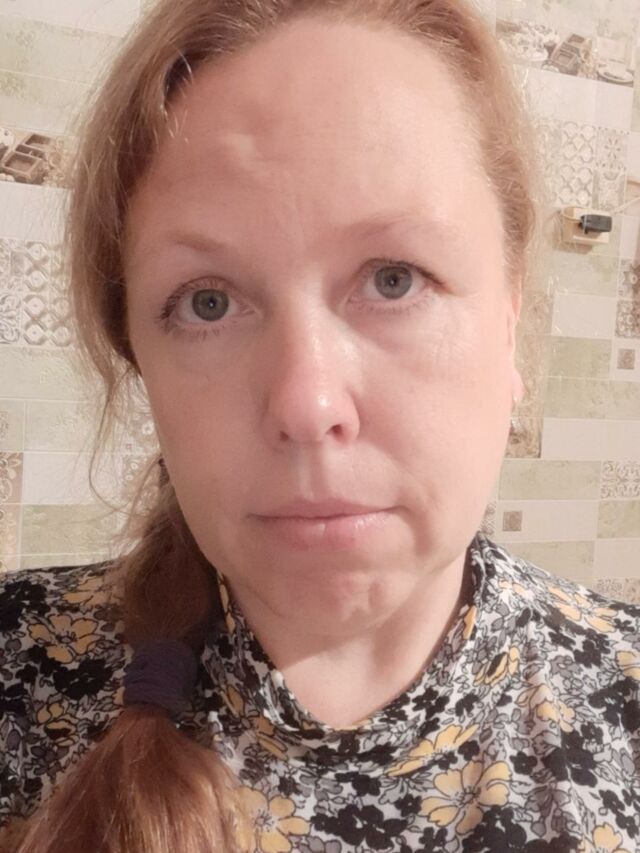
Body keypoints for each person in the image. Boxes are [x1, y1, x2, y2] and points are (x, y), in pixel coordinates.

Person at [0, 0, 639, 851]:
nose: (307, 405)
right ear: (140, 359)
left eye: (394, 279)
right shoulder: (18, 678)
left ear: (511, 320)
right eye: (207, 301)